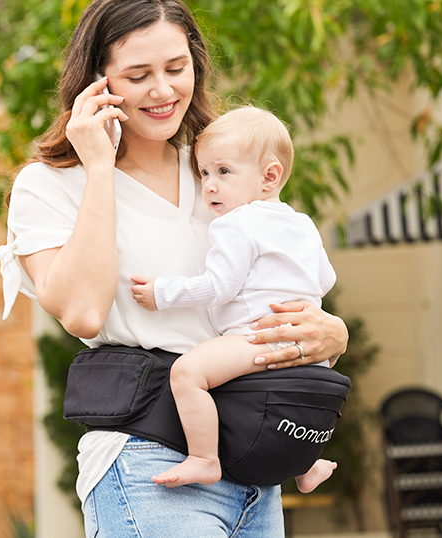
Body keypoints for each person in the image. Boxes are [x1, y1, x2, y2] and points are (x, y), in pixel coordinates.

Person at [0, 1, 348, 536]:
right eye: (138, 75)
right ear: (98, 82)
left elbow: (283, 275)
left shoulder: (218, 169)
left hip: (254, 453)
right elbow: (83, 312)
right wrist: (96, 167)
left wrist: (330, 332)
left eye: (176, 69)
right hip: (149, 459)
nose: (162, 90)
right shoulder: (48, 186)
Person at [130, 105, 338, 492]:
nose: (209, 185)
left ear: (269, 176)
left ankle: (204, 459)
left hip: (256, 337)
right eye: (204, 172)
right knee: (289, 406)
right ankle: (306, 466)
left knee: (189, 374)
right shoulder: (302, 223)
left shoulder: (236, 223)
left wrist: (161, 292)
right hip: (311, 350)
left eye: (223, 172)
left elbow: (218, 287)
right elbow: (326, 279)